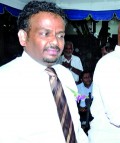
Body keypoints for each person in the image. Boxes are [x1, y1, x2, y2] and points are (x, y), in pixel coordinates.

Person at [0, 1, 88, 142]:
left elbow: (76, 127)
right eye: (45, 33)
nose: (55, 41)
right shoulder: (5, 81)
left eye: (60, 35)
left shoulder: (64, 75)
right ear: (23, 37)